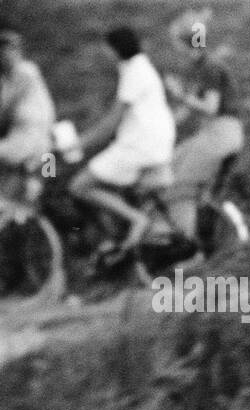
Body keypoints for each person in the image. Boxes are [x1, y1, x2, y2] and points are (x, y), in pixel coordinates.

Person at [69, 26, 176, 255]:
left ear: (115, 49)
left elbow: (112, 121)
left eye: (106, 49)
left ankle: (136, 220)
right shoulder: (136, 68)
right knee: (109, 185)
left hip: (140, 145)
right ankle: (118, 244)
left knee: (79, 186)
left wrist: (81, 143)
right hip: (153, 142)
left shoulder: (135, 72)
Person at [164, 8, 243, 242]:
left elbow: (210, 107)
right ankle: (183, 235)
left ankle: (188, 248)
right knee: (169, 167)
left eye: (176, 42)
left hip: (220, 134)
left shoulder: (209, 67)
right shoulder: (202, 67)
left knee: (180, 188)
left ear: (184, 42)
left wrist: (180, 95)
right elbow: (186, 112)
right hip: (215, 133)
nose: (174, 47)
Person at [0, 28, 56, 201]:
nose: (8, 54)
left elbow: (5, 109)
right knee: (16, 194)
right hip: (25, 140)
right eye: (4, 50)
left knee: (33, 187)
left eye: (12, 49)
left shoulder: (26, 71)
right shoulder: (6, 78)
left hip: (37, 141)